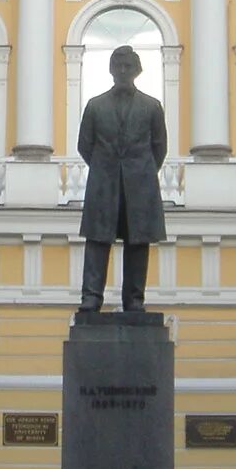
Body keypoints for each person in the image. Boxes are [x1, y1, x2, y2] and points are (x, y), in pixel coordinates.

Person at [76, 45, 168, 312]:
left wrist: (140, 170)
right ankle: (91, 296)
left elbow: (159, 147)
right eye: (119, 66)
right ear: (111, 70)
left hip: (140, 185)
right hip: (103, 183)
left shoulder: (152, 107)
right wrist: (105, 168)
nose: (123, 71)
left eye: (128, 66)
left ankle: (134, 299)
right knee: (97, 240)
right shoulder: (95, 106)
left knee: (138, 242)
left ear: (137, 70)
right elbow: (85, 145)